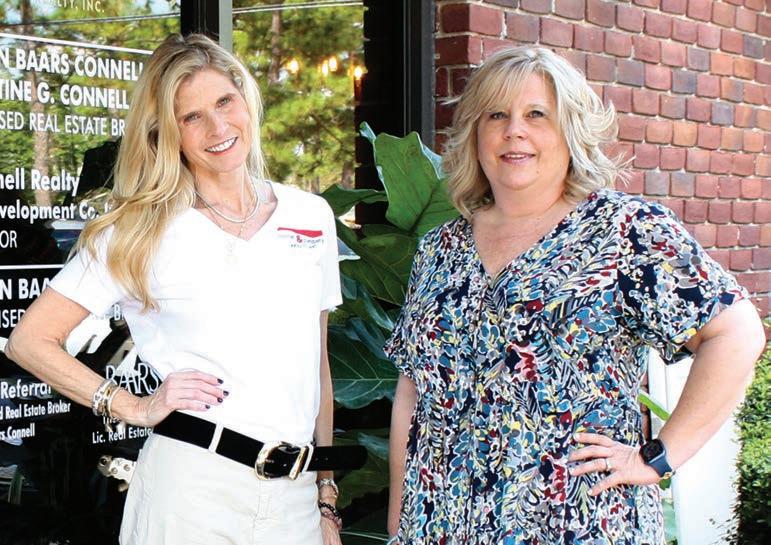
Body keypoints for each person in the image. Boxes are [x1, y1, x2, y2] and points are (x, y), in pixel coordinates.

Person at [384, 46, 765, 545]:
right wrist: (399, 520)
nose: (514, 131)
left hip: (577, 523)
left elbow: (736, 333)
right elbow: (414, 390)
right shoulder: (441, 248)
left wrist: (658, 457)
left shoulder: (624, 231)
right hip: (440, 525)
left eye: (536, 114)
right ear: (475, 132)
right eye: (496, 115)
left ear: (571, 130)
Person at [5, 34, 364, 545]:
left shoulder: (310, 215)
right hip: (191, 492)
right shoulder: (138, 229)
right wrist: (130, 406)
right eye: (191, 117)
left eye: (225, 102)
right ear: (166, 133)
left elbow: (316, 365)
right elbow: (29, 341)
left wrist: (326, 495)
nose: (218, 128)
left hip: (295, 500)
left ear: (246, 99)